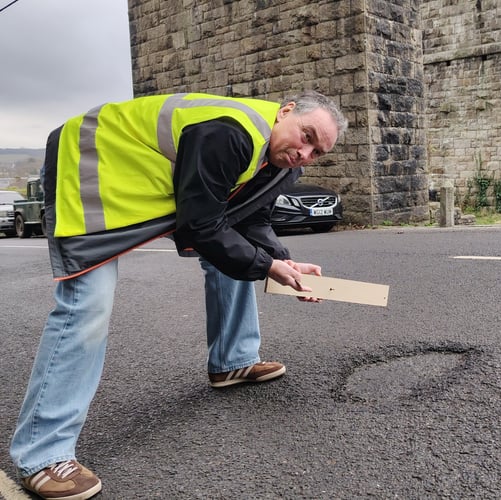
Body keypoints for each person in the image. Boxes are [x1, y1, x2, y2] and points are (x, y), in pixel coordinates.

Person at [9, 91, 348, 499]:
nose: (305, 154)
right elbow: (201, 227)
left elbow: (248, 222)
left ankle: (232, 361)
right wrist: (266, 266)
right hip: (90, 167)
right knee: (87, 305)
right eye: (306, 136)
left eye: (317, 152)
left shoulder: (278, 161)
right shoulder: (230, 132)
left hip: (148, 183)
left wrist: (283, 264)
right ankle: (43, 454)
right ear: (286, 112)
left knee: (238, 258)